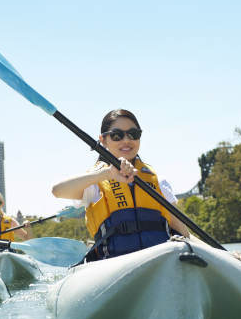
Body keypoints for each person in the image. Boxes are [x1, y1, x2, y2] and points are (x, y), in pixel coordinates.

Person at [51, 108, 190, 261]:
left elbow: (184, 232)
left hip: (161, 261)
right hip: (115, 264)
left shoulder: (158, 181)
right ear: (103, 140)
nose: (126, 140)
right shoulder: (95, 182)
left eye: (133, 134)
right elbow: (57, 191)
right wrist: (106, 174)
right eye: (117, 135)